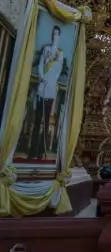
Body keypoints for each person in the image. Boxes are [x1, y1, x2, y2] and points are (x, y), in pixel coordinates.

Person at [27, 25, 65, 160]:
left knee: (47, 119)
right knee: (37, 119)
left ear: (59, 36)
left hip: (50, 86)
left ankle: (41, 151)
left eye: (57, 34)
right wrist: (42, 76)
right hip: (42, 85)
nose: (55, 36)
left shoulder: (60, 53)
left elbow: (58, 69)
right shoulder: (46, 49)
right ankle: (32, 151)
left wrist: (50, 79)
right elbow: (41, 63)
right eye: (53, 33)